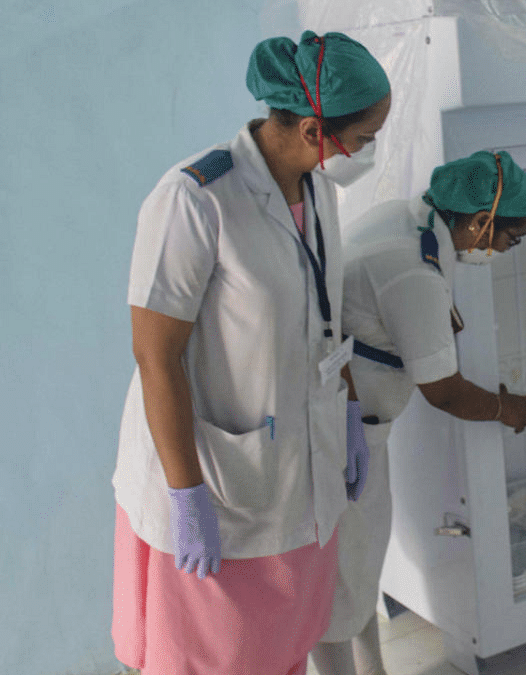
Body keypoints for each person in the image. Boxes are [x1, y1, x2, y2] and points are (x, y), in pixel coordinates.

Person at [111, 30, 391, 675]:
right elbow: (156, 356)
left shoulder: (318, 191)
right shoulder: (195, 198)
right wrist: (186, 495)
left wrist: (347, 410)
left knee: (284, 645)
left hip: (300, 472)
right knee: (211, 655)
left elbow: (325, 316)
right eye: (364, 137)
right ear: (316, 129)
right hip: (218, 480)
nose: (367, 150)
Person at [309, 150, 526, 675]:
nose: (508, 248)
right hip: (342, 433)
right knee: (341, 582)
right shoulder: (415, 270)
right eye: (511, 237)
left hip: (351, 424)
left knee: (356, 571)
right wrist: (506, 410)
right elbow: (446, 393)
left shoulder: (407, 219)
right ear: (481, 222)